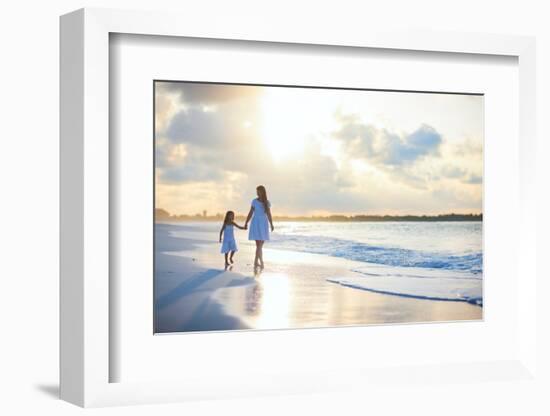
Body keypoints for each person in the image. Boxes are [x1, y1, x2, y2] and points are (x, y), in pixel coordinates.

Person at [245, 185, 274, 270]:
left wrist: (271, 224)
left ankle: (256, 261)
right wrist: (246, 222)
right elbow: (250, 212)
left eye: (259, 191)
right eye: (257, 191)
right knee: (258, 245)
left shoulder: (267, 202)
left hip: (263, 223)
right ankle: (260, 262)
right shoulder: (254, 201)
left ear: (263, 192)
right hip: (256, 223)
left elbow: (269, 214)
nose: (257, 193)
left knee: (260, 245)